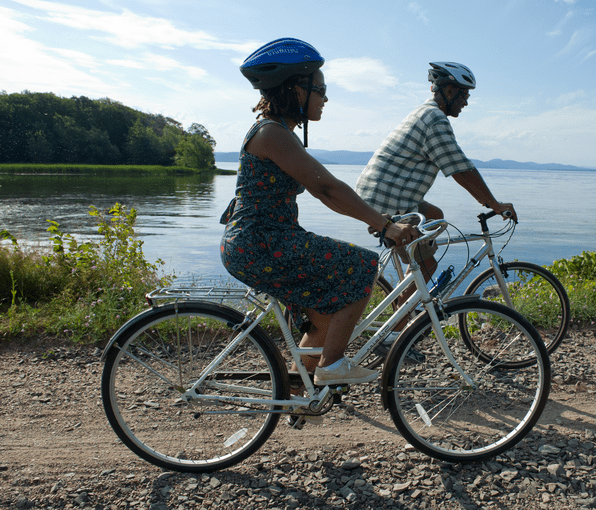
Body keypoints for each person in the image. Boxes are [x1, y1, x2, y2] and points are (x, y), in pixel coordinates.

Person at [220, 38, 418, 388]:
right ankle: (332, 365)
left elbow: (327, 193)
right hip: (261, 242)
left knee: (328, 308)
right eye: (321, 90)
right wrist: (384, 224)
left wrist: (376, 221)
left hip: (267, 240)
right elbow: (327, 188)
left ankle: (301, 389)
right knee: (362, 265)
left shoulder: (278, 132)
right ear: (296, 89)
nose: (326, 98)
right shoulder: (272, 134)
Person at [355, 62, 517, 345]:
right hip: (388, 201)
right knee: (427, 264)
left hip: (387, 194)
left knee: (436, 216)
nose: (466, 102)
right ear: (450, 90)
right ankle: (396, 331)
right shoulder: (435, 120)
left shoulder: (424, 112)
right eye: (464, 94)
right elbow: (460, 169)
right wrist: (493, 203)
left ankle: (409, 284)